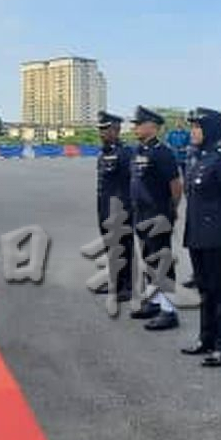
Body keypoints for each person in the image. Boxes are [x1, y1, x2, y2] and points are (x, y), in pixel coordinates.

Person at [181, 109, 221, 366]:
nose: (193, 131)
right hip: (197, 234)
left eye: (198, 127)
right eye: (192, 127)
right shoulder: (196, 159)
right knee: (205, 290)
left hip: (218, 236)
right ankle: (206, 337)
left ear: (211, 130)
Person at [128, 106, 181, 331]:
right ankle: (155, 302)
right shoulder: (139, 150)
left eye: (139, 124)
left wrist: (171, 211)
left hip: (158, 215)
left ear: (153, 126)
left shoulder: (163, 152)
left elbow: (176, 186)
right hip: (141, 215)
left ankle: (169, 311)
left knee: (161, 263)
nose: (135, 127)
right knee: (149, 261)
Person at [88, 111, 136, 302]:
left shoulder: (125, 153)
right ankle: (115, 282)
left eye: (105, 130)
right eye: (100, 130)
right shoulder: (104, 153)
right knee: (111, 247)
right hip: (104, 207)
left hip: (120, 208)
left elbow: (132, 182)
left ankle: (127, 287)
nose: (101, 134)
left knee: (123, 247)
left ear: (115, 130)